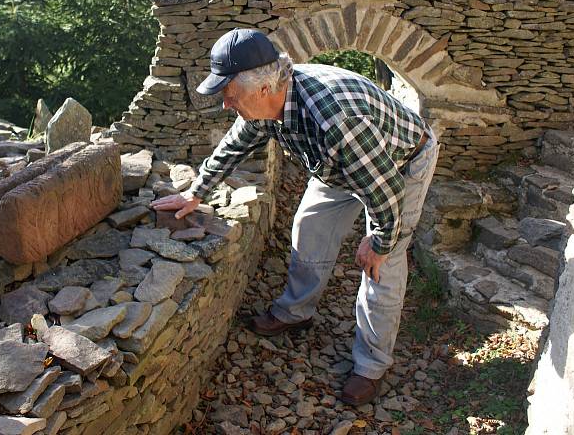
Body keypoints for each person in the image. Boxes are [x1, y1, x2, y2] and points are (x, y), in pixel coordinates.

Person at [151, 28, 439, 406]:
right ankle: (296, 312)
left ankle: (371, 366)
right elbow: (234, 146)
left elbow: (386, 193)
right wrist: (196, 192)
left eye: (229, 95)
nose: (225, 104)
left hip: (397, 166)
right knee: (309, 228)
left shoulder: (336, 119)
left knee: (381, 269)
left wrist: (381, 242)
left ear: (263, 90)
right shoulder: (266, 102)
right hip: (341, 164)